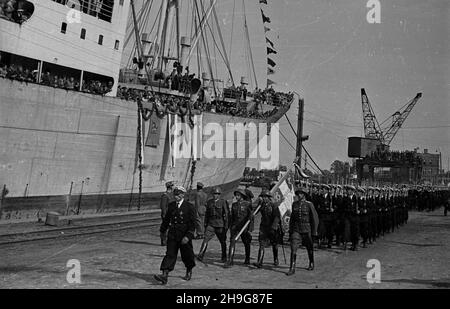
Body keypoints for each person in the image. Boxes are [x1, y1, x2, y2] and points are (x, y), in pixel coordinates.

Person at [154, 186, 196, 285]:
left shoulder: (189, 207)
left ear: (182, 195)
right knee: (170, 254)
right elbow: (166, 220)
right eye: (175, 194)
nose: (176, 196)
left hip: (184, 235)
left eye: (178, 194)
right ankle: (164, 275)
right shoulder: (171, 205)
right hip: (173, 234)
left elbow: (192, 223)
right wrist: (162, 231)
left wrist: (188, 236)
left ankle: (189, 270)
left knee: (187, 255)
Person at [286, 187, 319, 276]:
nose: (299, 195)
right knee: (293, 248)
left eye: (301, 193)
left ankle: (311, 262)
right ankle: (292, 268)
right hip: (296, 229)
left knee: (309, 247)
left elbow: (314, 219)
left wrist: (314, 232)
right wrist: (290, 229)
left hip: (306, 229)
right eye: (298, 193)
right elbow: (292, 218)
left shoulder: (309, 204)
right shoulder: (294, 204)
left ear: (304, 195)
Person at [196, 187, 229, 263]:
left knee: (222, 241)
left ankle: (224, 257)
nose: (215, 195)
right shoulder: (210, 202)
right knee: (205, 239)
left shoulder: (223, 202)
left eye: (217, 194)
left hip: (220, 225)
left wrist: (226, 226)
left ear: (219, 195)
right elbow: (207, 214)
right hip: (211, 224)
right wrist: (205, 223)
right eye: (214, 194)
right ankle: (201, 255)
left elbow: (226, 214)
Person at [225, 189, 253, 268]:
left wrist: (249, 228)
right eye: (236, 195)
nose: (236, 197)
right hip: (235, 227)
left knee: (246, 243)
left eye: (238, 195)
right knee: (232, 242)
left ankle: (247, 259)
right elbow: (232, 217)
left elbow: (251, 216)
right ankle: (230, 260)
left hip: (244, 227)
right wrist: (230, 226)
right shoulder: (234, 205)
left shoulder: (248, 204)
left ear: (242, 196)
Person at [253, 189, 281, 268]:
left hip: (272, 227)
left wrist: (274, 227)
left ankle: (275, 259)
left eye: (265, 197)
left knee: (274, 244)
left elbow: (277, 217)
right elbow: (254, 210)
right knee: (261, 244)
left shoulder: (273, 205)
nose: (264, 198)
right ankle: (260, 262)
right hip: (263, 227)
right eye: (263, 197)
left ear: (269, 198)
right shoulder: (261, 205)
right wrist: (257, 203)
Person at [159, 181, 174, 246]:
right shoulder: (165, 195)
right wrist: (165, 215)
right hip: (167, 214)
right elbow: (163, 206)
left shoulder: (172, 195)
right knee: (165, 228)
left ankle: (169, 240)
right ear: (170, 187)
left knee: (171, 228)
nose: (174, 186)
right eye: (173, 185)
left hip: (172, 214)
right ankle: (163, 240)